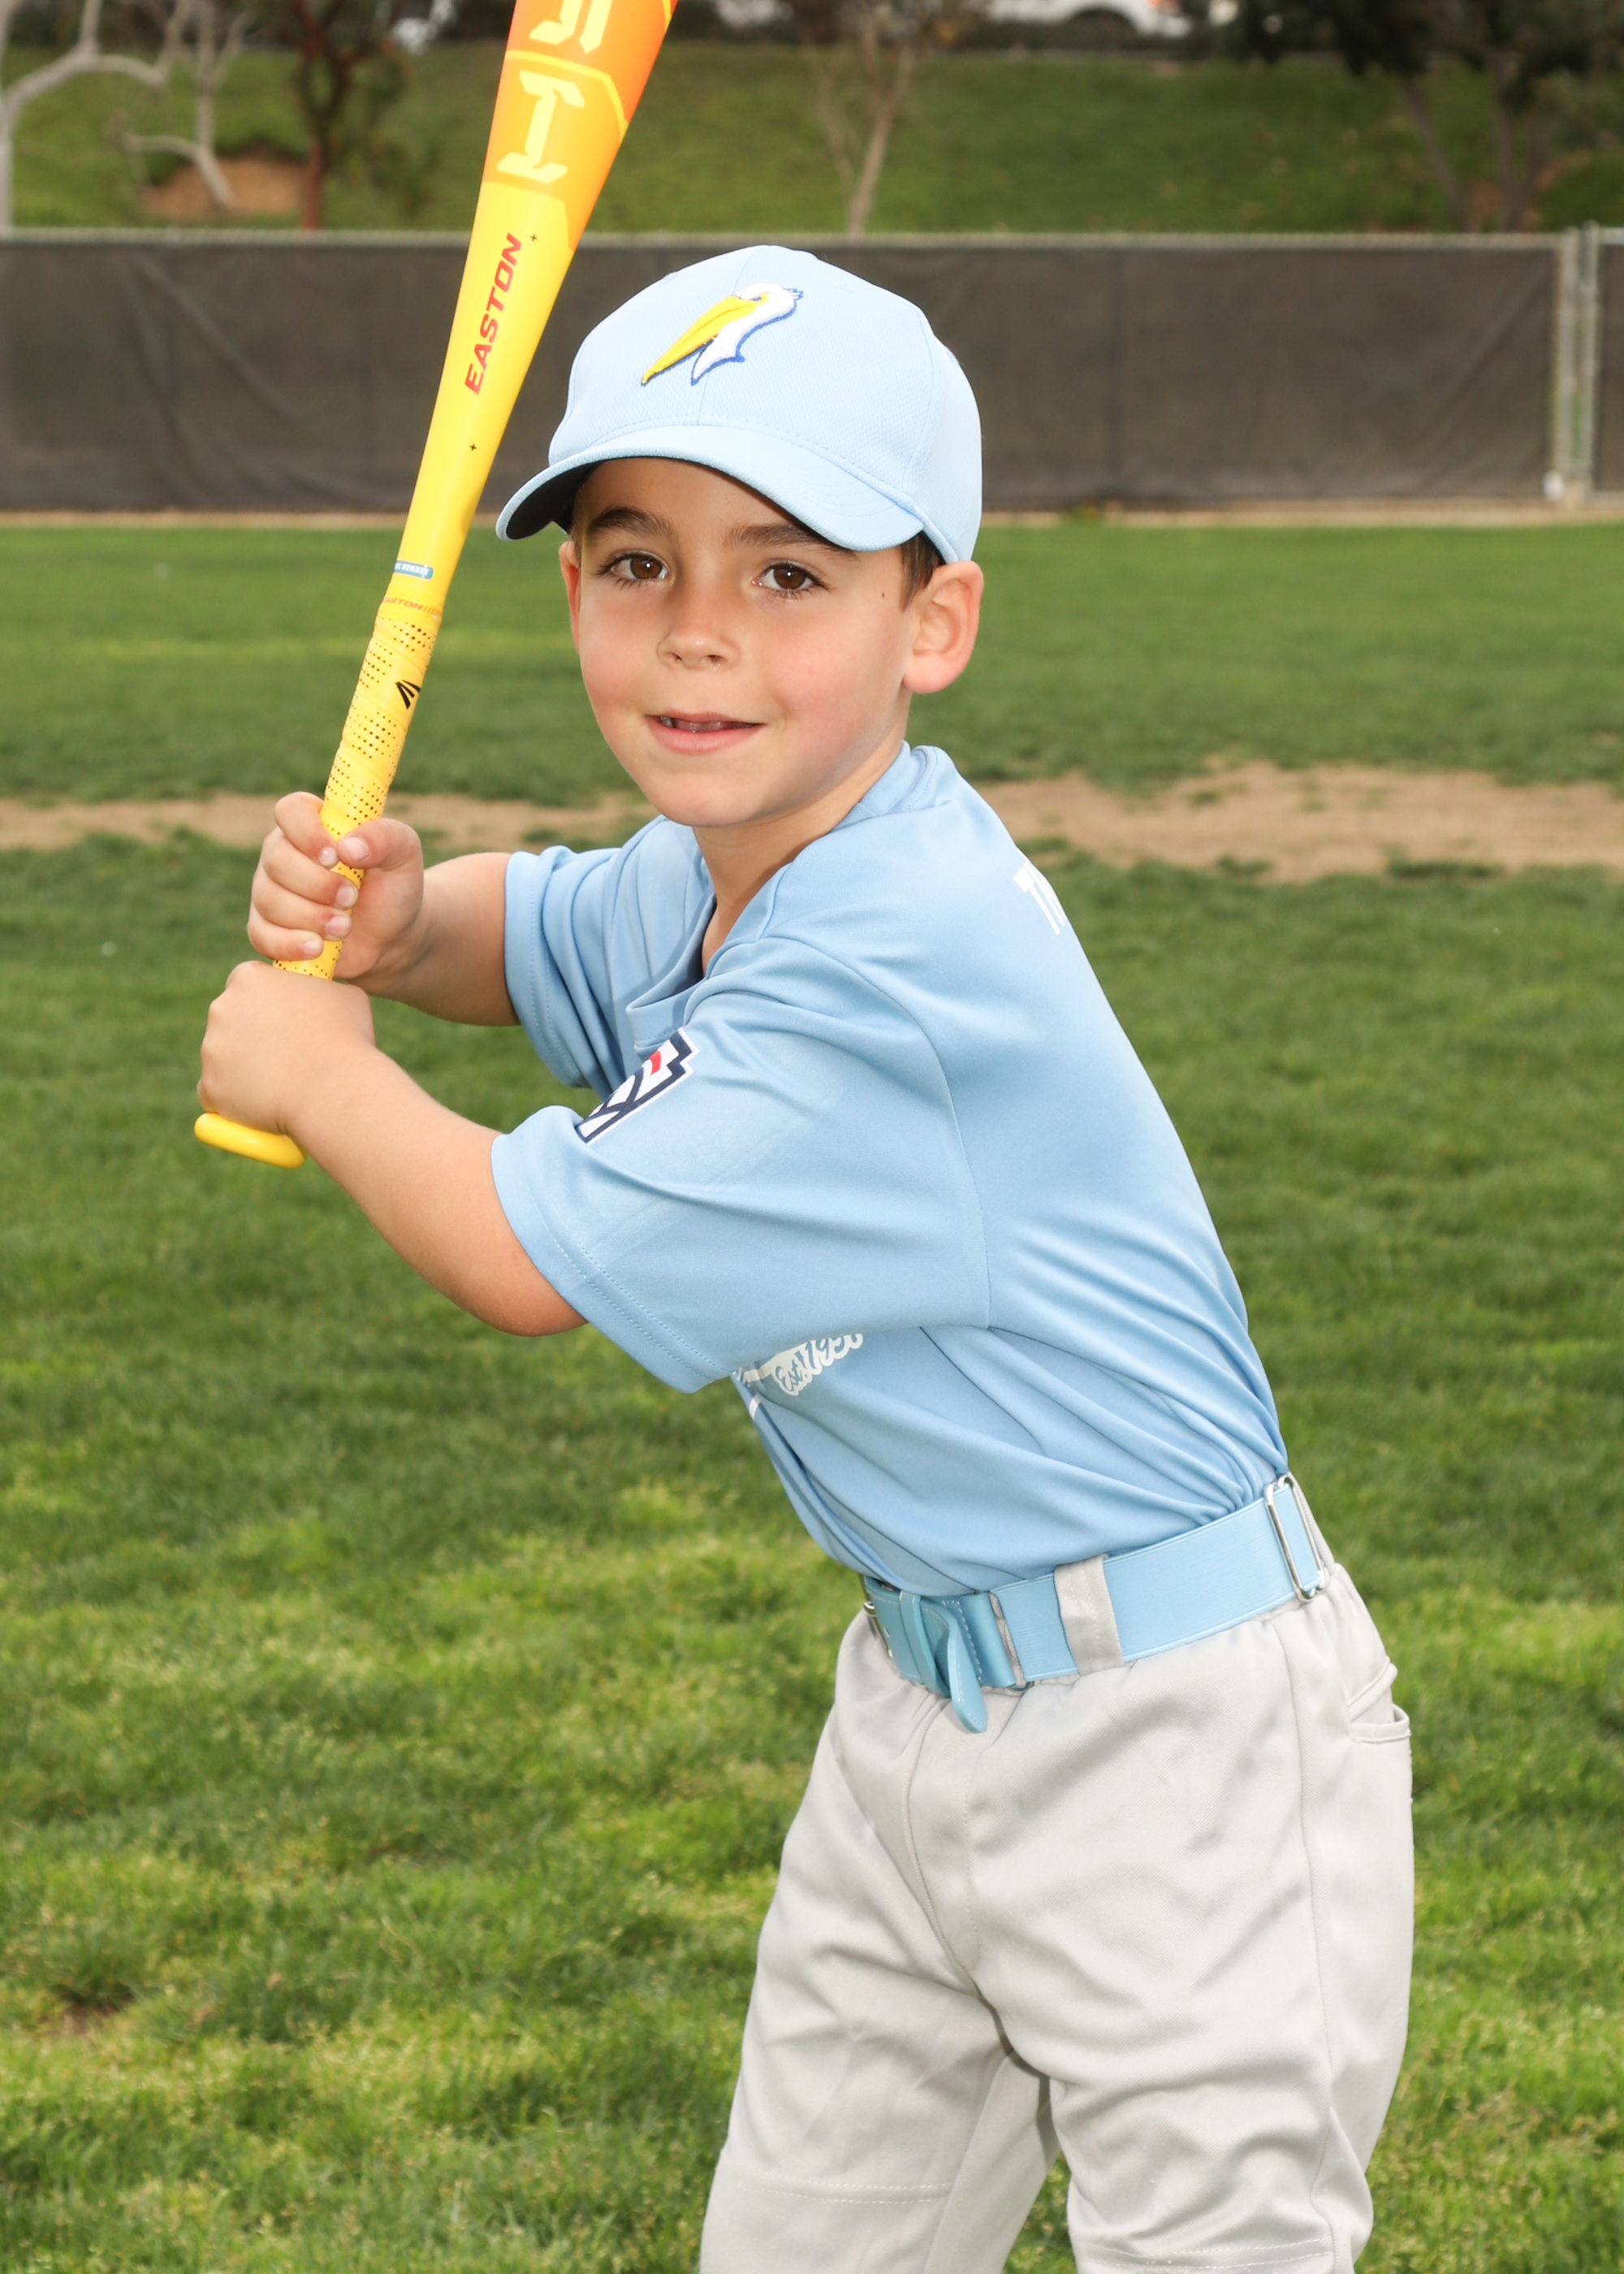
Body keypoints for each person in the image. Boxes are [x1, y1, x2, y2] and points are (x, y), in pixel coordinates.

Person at [197, 246, 1414, 2274]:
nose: (699, 632)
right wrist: (402, 927)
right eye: (634, 562)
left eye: (786, 572)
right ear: (572, 595)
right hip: (920, 1705)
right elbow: (546, 928)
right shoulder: (741, 864)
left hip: (1176, 1743)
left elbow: (521, 1253)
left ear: (931, 620)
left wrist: (324, 1069)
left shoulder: (885, 965)